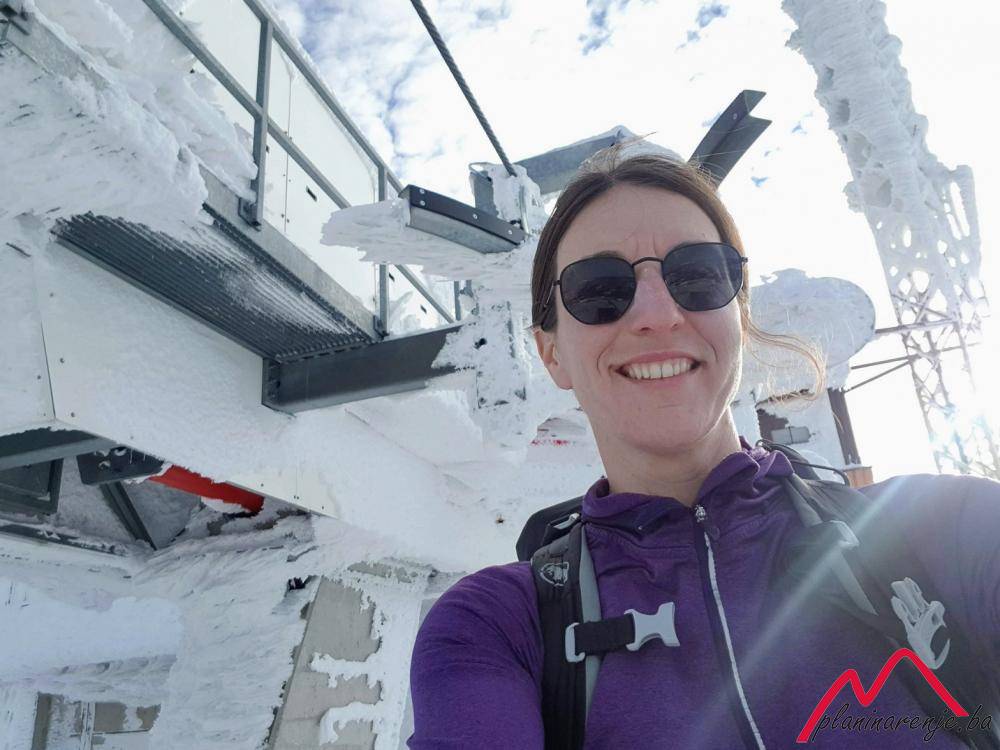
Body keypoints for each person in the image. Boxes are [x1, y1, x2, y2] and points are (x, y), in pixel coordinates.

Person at [406, 147, 1000, 748]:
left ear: (739, 315)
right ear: (552, 353)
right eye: (599, 288)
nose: (658, 314)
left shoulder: (944, 532)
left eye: (698, 275)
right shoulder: (499, 627)